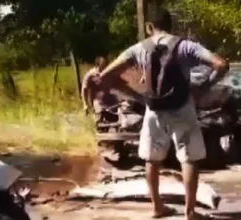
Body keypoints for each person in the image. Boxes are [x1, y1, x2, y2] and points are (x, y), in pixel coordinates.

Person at [98, 8, 229, 219]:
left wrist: (135, 95)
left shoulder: (138, 49)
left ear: (149, 27)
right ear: (171, 26)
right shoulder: (186, 46)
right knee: (189, 159)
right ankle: (190, 211)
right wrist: (203, 86)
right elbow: (221, 64)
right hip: (183, 107)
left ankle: (157, 207)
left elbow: (104, 77)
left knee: (151, 159)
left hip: (154, 110)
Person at [81, 56, 118, 121]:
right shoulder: (90, 75)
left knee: (115, 117)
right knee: (99, 117)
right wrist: (85, 104)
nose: (105, 67)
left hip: (108, 99)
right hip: (97, 100)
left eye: (105, 65)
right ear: (97, 65)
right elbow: (84, 89)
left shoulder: (108, 72)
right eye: (102, 65)